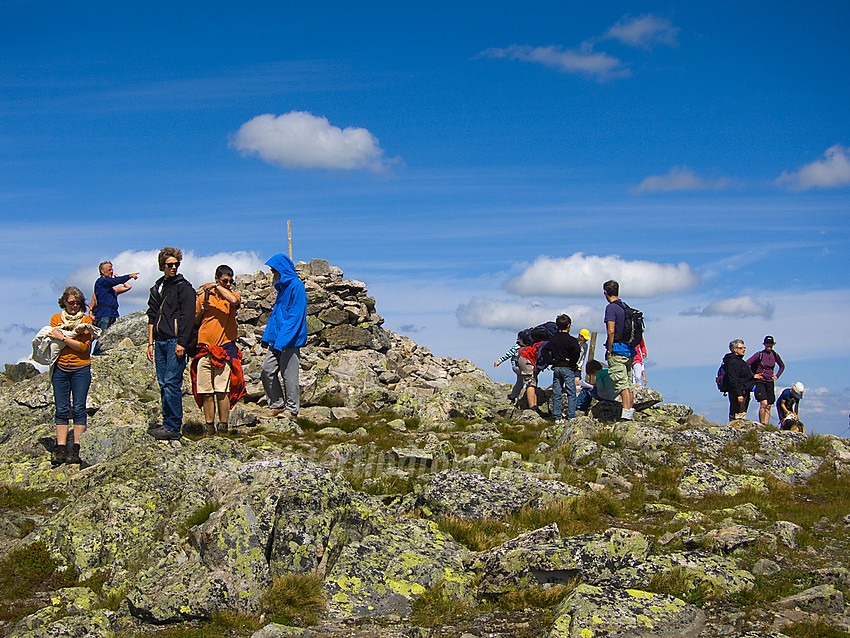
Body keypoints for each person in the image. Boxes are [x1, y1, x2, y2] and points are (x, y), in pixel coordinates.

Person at [146, 247, 195, 440]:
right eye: (169, 265)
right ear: (162, 266)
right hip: (160, 342)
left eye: (176, 264)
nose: (173, 268)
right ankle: (168, 423)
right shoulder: (157, 288)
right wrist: (150, 343)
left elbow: (188, 317)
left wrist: (182, 342)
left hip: (175, 341)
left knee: (171, 383)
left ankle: (173, 426)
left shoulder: (184, 287)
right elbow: (151, 316)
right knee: (163, 383)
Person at [190, 265, 245, 435]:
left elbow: (235, 302)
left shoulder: (232, 296)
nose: (228, 284)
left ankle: (223, 426)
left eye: (230, 281)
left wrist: (216, 287)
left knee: (222, 391)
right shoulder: (203, 298)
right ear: (217, 277)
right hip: (205, 349)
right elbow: (195, 321)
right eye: (225, 281)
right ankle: (209, 426)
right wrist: (203, 311)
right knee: (206, 391)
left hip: (224, 350)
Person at [49, 287, 96, 465]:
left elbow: (84, 348)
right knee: (61, 408)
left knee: (78, 408)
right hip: (60, 368)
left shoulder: (86, 320)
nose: (74, 306)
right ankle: (60, 448)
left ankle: (77, 447)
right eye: (71, 303)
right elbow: (52, 340)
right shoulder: (55, 319)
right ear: (64, 303)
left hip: (81, 368)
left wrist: (64, 339)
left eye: (77, 303)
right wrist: (72, 340)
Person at [260, 254, 307, 419]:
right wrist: (268, 337)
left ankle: (291, 410)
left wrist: (281, 342)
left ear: (282, 270)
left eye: (274, 271)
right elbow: (275, 317)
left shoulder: (296, 286)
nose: (273, 275)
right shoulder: (282, 289)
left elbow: (294, 316)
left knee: (289, 376)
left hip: (290, 341)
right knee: (267, 370)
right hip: (276, 340)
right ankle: (277, 404)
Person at [603, 280, 636, 420]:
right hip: (629, 350)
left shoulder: (611, 308)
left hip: (617, 349)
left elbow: (611, 331)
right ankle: (630, 411)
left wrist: (610, 349)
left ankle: (626, 414)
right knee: (628, 383)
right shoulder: (625, 307)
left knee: (622, 384)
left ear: (605, 292)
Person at [539, 314, 581, 423]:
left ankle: (557, 417)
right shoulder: (572, 340)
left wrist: (551, 360)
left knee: (557, 393)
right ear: (569, 326)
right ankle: (571, 415)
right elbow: (577, 352)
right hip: (568, 368)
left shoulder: (554, 339)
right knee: (571, 392)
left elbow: (544, 351)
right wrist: (572, 362)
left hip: (556, 367)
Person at [91, 261, 140, 354]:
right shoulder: (100, 282)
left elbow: (126, 286)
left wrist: (118, 278)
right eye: (109, 270)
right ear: (102, 271)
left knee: (110, 336)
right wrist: (129, 276)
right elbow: (113, 282)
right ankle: (96, 355)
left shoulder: (111, 289)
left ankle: (105, 353)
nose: (111, 272)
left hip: (113, 314)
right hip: (104, 314)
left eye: (112, 270)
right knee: (102, 336)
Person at [747, 335, 786, 427]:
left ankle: (766, 425)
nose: (769, 345)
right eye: (767, 343)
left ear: (773, 344)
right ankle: (762, 424)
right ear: (764, 344)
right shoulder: (759, 354)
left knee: (769, 405)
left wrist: (777, 376)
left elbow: (782, 366)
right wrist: (754, 375)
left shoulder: (775, 355)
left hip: (770, 381)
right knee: (763, 403)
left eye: (771, 343)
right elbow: (747, 364)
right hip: (760, 381)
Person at [723, 339, 755, 421]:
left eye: (744, 348)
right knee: (737, 414)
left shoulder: (740, 361)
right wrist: (739, 394)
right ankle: (736, 430)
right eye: (741, 348)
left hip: (744, 391)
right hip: (738, 392)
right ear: (735, 350)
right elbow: (733, 379)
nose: (744, 350)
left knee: (741, 414)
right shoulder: (733, 362)